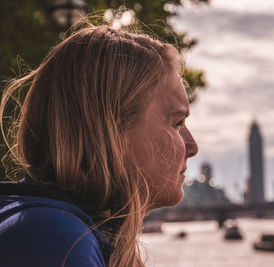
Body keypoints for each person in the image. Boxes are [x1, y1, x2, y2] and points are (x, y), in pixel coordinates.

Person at [0, 24, 198, 267]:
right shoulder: (56, 241)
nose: (192, 147)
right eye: (177, 123)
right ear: (113, 131)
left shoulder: (52, 229)